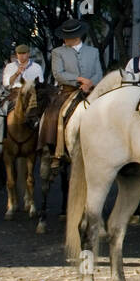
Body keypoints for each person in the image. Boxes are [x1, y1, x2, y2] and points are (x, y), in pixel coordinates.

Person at [42, 18, 103, 168]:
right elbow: (58, 73)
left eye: (66, 36)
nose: (64, 39)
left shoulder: (93, 51)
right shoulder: (57, 52)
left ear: (76, 36)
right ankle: (55, 150)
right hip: (67, 91)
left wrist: (89, 83)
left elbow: (98, 73)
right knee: (52, 113)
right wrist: (79, 79)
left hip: (92, 91)